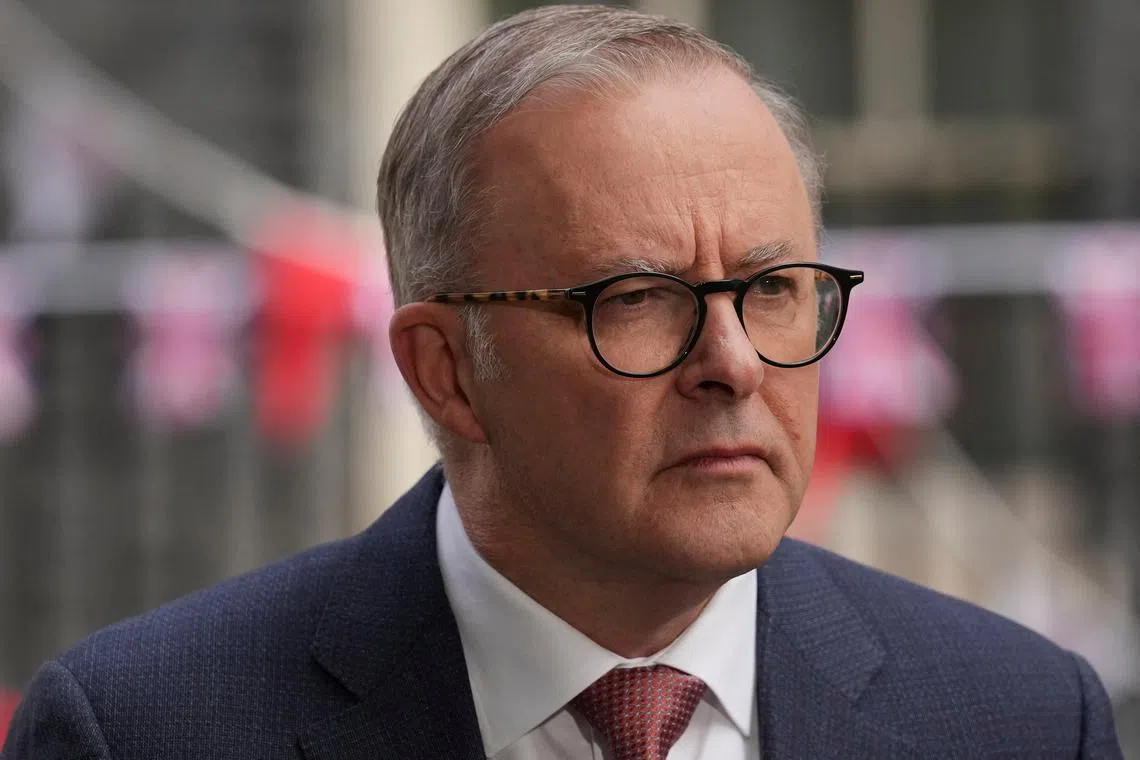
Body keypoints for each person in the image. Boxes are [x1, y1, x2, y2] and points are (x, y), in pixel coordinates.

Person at [3, 5, 1123, 759]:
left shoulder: (1019, 717)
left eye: (774, 287)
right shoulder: (146, 729)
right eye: (636, 300)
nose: (732, 363)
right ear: (447, 374)